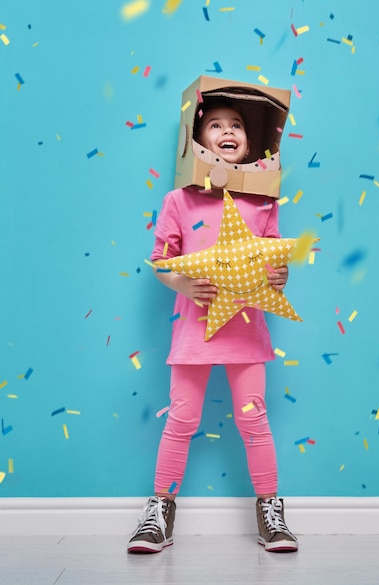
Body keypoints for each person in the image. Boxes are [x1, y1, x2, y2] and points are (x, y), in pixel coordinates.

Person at [127, 102, 298, 554]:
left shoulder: (263, 200)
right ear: (197, 141)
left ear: (250, 140)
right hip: (192, 333)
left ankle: (270, 512)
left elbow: (274, 260)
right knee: (181, 419)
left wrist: (280, 274)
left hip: (245, 333)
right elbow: (161, 263)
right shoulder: (178, 200)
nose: (227, 131)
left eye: (237, 125)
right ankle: (160, 512)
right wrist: (184, 281)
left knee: (254, 421)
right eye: (215, 125)